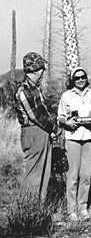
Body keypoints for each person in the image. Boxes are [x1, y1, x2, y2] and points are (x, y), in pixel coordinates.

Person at [57, 66, 91, 221]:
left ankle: (83, 207)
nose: (81, 80)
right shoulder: (66, 96)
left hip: (88, 137)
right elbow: (60, 117)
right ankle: (71, 209)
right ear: (72, 80)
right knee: (73, 174)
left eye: (83, 77)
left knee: (86, 175)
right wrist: (67, 123)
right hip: (72, 137)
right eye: (77, 78)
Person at [15, 52, 60, 201]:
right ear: (34, 70)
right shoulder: (24, 90)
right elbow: (35, 116)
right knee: (33, 171)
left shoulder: (35, 89)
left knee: (44, 171)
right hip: (33, 132)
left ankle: (38, 208)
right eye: (41, 67)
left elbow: (44, 109)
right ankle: (27, 208)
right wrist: (53, 128)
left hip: (42, 131)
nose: (43, 71)